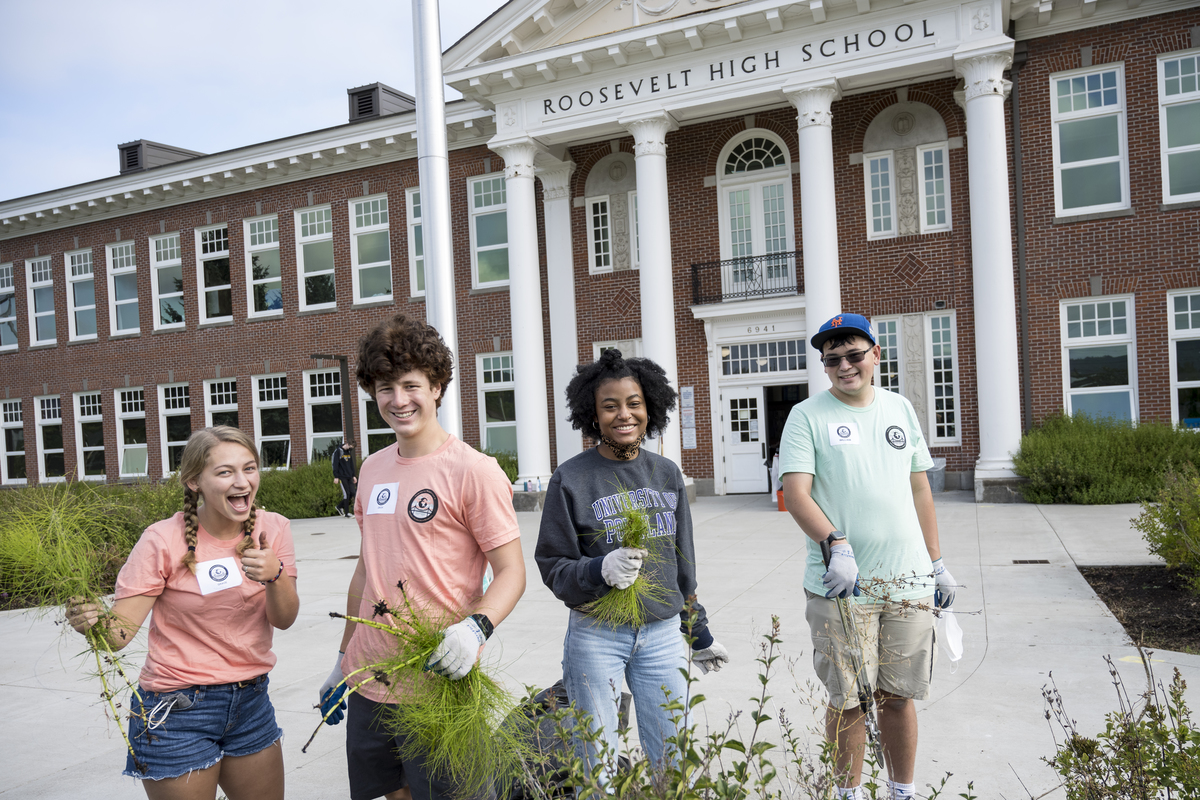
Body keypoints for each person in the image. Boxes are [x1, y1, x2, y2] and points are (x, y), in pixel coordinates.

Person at [317, 314, 526, 800]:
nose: (398, 400)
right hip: (370, 681)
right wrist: (342, 659)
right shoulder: (371, 469)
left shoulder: (474, 471)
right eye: (385, 388)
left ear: (436, 387)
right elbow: (367, 570)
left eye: (411, 385)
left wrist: (476, 628)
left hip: (437, 679)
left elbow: (512, 572)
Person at [65, 426, 299, 800]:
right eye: (225, 472)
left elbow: (284, 618)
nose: (242, 481)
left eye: (249, 468)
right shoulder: (162, 539)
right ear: (194, 482)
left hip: (251, 701)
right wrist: (90, 621)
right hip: (175, 711)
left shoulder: (274, 528)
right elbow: (118, 635)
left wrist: (275, 574)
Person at [779, 314, 956, 800]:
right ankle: (848, 793)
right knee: (850, 701)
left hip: (908, 583)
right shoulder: (807, 416)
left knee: (898, 698)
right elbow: (796, 493)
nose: (844, 366)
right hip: (844, 588)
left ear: (876, 355)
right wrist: (835, 543)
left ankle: (904, 791)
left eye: (854, 354)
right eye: (832, 359)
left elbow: (919, 487)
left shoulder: (900, 408)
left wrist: (936, 562)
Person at [535, 349, 729, 788]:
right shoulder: (571, 479)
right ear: (593, 413)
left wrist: (697, 632)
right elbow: (552, 565)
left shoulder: (666, 473)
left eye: (634, 403)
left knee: (673, 758)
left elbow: (683, 564)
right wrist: (599, 569)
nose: (624, 414)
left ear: (650, 407)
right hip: (595, 634)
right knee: (596, 762)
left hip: (661, 635)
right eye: (610, 405)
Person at [333, 440, 358, 517]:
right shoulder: (338, 451)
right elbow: (335, 464)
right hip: (342, 476)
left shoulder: (349, 452)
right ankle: (347, 513)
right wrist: (336, 476)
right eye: (350, 447)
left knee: (353, 493)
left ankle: (339, 506)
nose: (350, 449)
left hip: (349, 476)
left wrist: (353, 475)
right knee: (346, 494)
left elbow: (351, 464)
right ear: (347, 444)